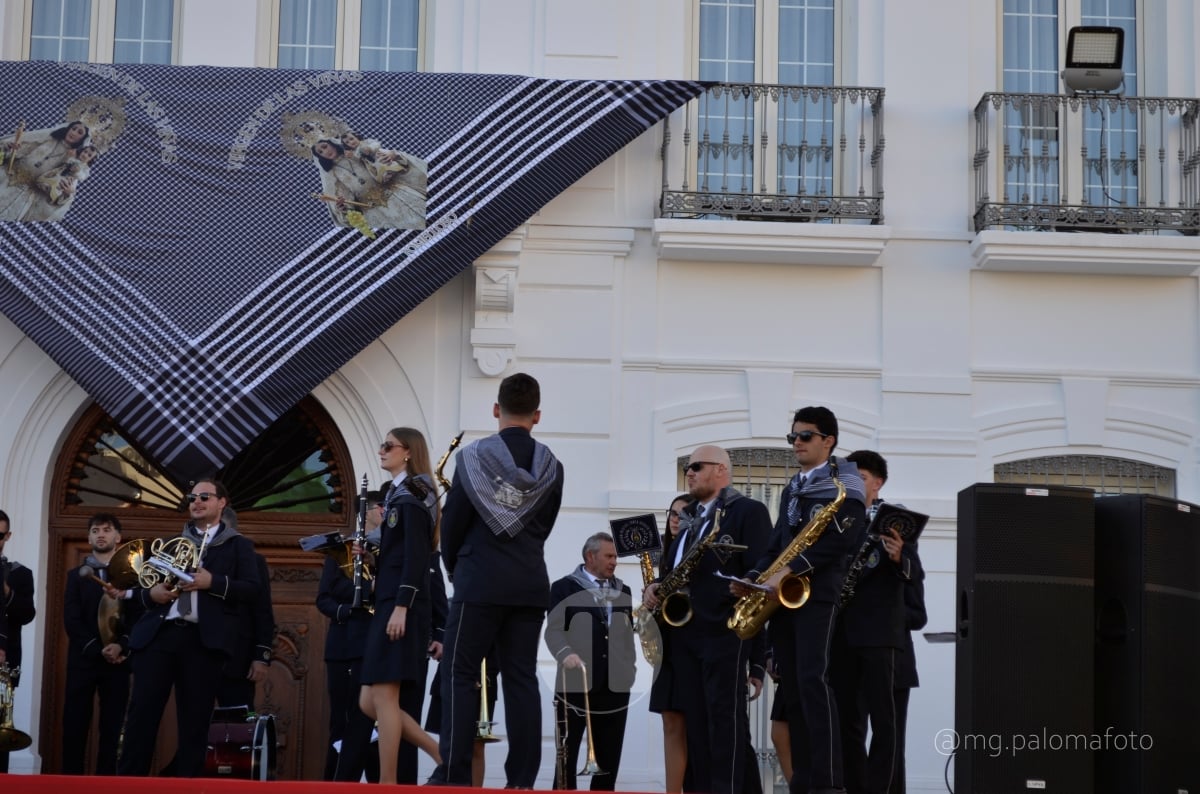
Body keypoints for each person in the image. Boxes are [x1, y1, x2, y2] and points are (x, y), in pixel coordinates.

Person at [429, 372, 565, 788]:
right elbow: (545, 526)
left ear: (496, 409)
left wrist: (456, 569)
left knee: (460, 673)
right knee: (521, 677)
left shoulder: (472, 458)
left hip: (479, 580)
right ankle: (521, 780)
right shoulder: (552, 466)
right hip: (529, 582)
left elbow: (453, 524)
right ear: (537, 415)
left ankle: (454, 775)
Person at [732, 407, 867, 794]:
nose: (796, 443)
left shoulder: (846, 484)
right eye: (792, 437)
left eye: (805, 436)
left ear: (829, 441)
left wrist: (791, 570)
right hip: (783, 595)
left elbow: (842, 541)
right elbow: (777, 542)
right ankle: (804, 779)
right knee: (791, 687)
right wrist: (754, 577)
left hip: (816, 594)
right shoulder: (794, 487)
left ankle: (828, 780)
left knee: (812, 680)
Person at [644, 446, 771, 794]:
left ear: (721, 470)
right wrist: (656, 586)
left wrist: (758, 657)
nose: (690, 472)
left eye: (697, 466)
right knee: (697, 727)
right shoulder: (689, 519)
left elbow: (762, 570)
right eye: (688, 466)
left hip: (723, 631)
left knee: (724, 724)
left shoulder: (748, 511)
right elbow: (675, 572)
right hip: (684, 635)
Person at [117, 478, 262, 777]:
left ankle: (187, 784)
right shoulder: (169, 542)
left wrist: (213, 582)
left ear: (222, 503)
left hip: (202, 641)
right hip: (160, 635)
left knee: (195, 723)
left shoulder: (239, 546)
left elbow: (252, 590)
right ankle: (129, 784)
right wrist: (152, 594)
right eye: (192, 497)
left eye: (204, 497)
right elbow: (140, 589)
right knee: (141, 716)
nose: (196, 502)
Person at [835, 450, 925, 794]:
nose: (854, 484)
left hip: (885, 646)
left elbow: (915, 586)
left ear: (878, 483)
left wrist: (899, 557)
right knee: (849, 728)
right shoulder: (839, 519)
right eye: (849, 478)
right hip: (844, 640)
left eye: (861, 478)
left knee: (887, 732)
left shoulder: (895, 523)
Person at [357, 427, 443, 784]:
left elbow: (417, 556)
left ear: (408, 452)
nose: (381, 450)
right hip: (391, 601)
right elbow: (399, 553)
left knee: (384, 696)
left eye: (388, 446)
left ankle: (388, 782)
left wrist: (402, 606)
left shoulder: (411, 496)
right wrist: (372, 556)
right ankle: (441, 754)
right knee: (369, 701)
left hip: (400, 605)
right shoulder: (400, 494)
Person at [545, 532, 637, 790]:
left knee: (609, 758)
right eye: (609, 556)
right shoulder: (563, 588)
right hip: (574, 683)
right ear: (590, 556)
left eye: (615, 556)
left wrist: (629, 670)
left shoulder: (624, 591)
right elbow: (553, 631)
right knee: (567, 755)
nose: (614, 562)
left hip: (616, 687)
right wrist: (565, 653)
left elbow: (626, 636)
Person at [60, 513, 139, 775]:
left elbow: (137, 617)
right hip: (83, 660)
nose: (100, 535)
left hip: (118, 662)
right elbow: (71, 618)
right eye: (95, 531)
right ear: (89, 537)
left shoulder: (132, 577)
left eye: (106, 530)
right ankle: (70, 782)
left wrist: (121, 646)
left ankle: (107, 782)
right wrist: (97, 648)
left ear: (118, 537)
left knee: (112, 726)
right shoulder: (76, 576)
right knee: (75, 724)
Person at [318, 489, 384, 782]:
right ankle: (336, 784)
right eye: (380, 507)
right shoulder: (342, 549)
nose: (385, 512)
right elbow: (324, 598)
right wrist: (359, 600)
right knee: (342, 722)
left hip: (376, 646)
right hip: (343, 647)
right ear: (367, 511)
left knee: (375, 725)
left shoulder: (389, 548)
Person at [647, 494, 693, 793]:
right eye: (672, 514)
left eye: (683, 514)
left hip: (693, 644)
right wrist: (652, 589)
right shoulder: (665, 553)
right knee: (670, 722)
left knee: (693, 726)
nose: (675, 519)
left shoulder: (696, 549)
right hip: (668, 644)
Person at [0, 508, 36, 774]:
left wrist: (5, 588)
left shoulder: (20, 573)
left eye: (0, 535)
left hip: (4, 664)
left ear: (8, 536)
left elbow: (26, 614)